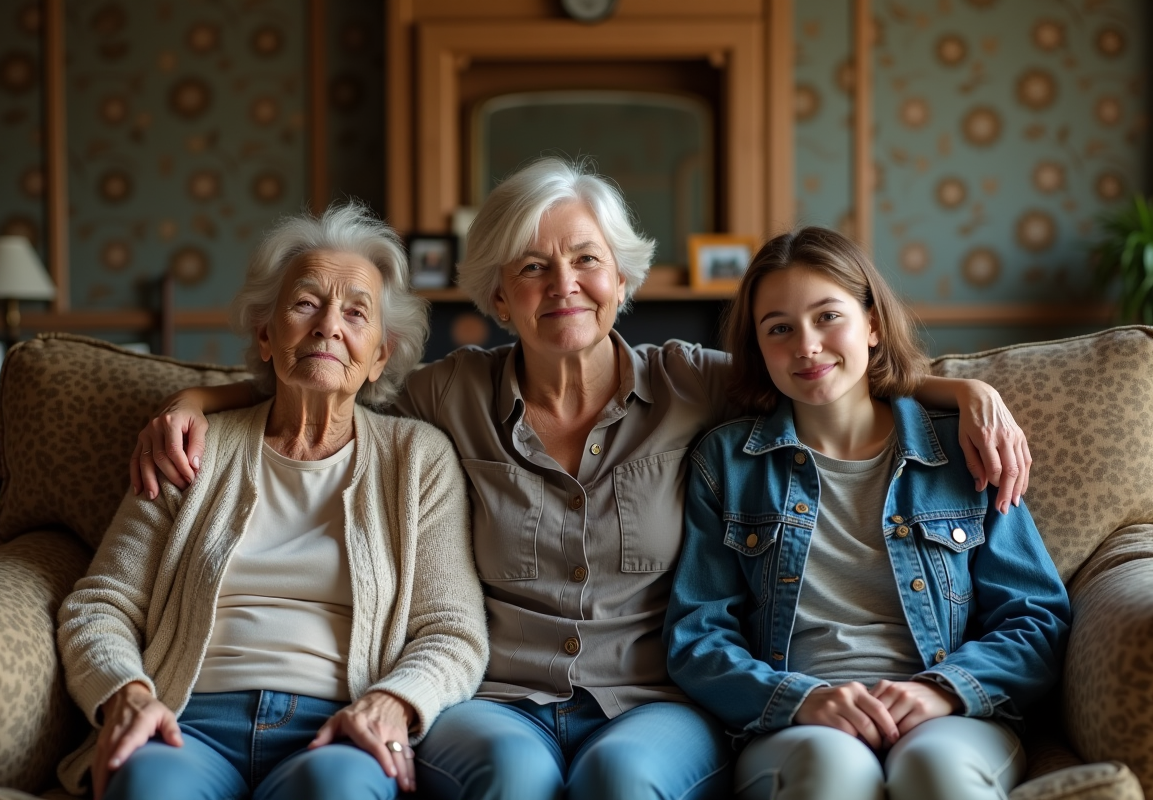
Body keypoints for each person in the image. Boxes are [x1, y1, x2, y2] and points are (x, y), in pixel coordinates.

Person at [128, 159, 1033, 800]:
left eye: (586, 259)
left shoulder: (693, 384)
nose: (563, 283)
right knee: (512, 777)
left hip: (651, 700)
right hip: (497, 700)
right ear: (499, 296)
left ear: (621, 280)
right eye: (533, 266)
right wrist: (199, 400)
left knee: (620, 778)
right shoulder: (447, 395)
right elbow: (327, 376)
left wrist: (961, 391)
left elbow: (822, 371)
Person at [56, 203, 488, 800]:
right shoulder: (193, 445)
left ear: (379, 356)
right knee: (149, 789)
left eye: (356, 312)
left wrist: (391, 702)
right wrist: (127, 694)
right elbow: (102, 603)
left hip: (337, 730)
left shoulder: (418, 460)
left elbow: (453, 630)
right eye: (306, 303)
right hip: (188, 722)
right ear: (266, 334)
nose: (328, 326)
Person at [664, 227, 1070, 800]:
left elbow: (1035, 616)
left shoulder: (964, 448)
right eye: (779, 328)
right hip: (798, 719)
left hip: (949, 713)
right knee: (831, 773)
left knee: (936, 772)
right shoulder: (726, 463)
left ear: (872, 324)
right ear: (757, 347)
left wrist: (943, 690)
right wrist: (799, 698)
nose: (806, 345)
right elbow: (697, 634)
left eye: (828, 316)